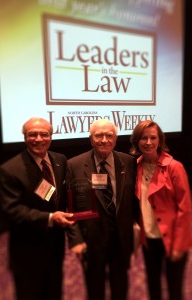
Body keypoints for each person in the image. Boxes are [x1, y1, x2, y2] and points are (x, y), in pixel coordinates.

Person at [0, 117, 74, 300]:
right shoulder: (10, 170)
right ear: (25, 137)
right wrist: (49, 218)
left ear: (51, 137)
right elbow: (12, 211)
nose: (38, 139)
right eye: (32, 134)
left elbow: (60, 197)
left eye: (44, 134)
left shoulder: (60, 160)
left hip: (55, 244)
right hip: (27, 249)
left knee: (54, 291)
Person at [66, 119, 138, 300]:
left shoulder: (129, 162)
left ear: (115, 139)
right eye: (99, 135)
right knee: (94, 286)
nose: (104, 140)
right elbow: (69, 206)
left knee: (120, 284)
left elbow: (135, 199)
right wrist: (75, 239)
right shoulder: (74, 165)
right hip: (91, 238)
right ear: (91, 139)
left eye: (109, 135)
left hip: (121, 236)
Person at [130, 120, 192, 300]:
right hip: (149, 237)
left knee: (174, 289)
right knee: (153, 285)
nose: (148, 142)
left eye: (153, 138)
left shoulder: (174, 167)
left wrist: (179, 244)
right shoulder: (136, 166)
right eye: (144, 138)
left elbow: (185, 208)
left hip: (172, 237)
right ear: (137, 141)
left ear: (160, 140)